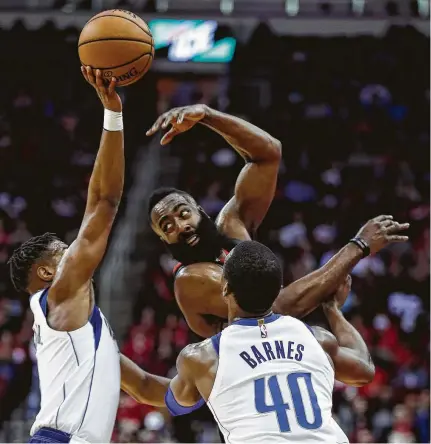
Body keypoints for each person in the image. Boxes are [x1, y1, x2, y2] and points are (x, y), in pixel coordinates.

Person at [146, 105, 410, 337]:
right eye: (167, 226)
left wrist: (208, 115)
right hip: (239, 377)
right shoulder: (191, 279)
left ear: (201, 211)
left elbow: (268, 154)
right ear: (163, 240)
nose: (180, 226)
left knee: (359, 368)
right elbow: (279, 310)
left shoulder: (230, 224)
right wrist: (359, 246)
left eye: (182, 214)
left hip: (277, 350)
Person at [120, 241, 376, 443]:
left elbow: (146, 389)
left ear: (225, 288)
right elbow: (364, 368)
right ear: (277, 289)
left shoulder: (203, 358)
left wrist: (99, 347)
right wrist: (333, 310)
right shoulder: (316, 338)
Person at [8, 67, 125, 444]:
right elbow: (104, 202)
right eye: (64, 250)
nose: (75, 250)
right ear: (46, 271)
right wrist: (113, 114)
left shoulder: (66, 315)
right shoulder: (61, 293)